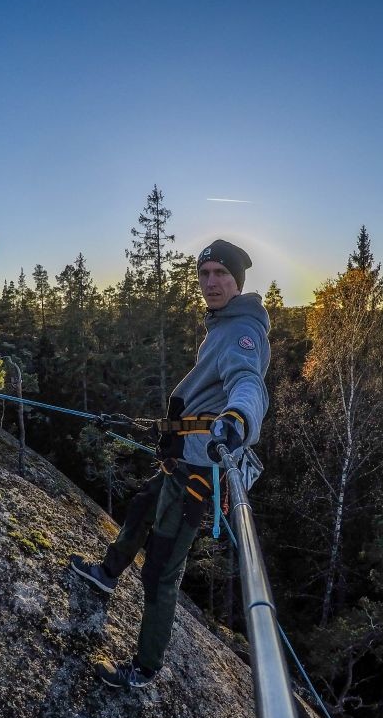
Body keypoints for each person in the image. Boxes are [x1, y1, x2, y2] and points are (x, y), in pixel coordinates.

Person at [70, 239, 271, 689]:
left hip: (199, 472)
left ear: (237, 281)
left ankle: (145, 668)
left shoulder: (243, 331)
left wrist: (238, 418)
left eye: (221, 273)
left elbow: (247, 382)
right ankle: (106, 575)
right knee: (142, 508)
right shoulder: (222, 325)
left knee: (161, 569)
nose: (211, 282)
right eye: (204, 274)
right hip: (182, 457)